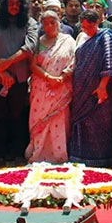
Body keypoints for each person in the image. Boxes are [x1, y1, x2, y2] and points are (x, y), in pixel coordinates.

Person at [0, 0, 38, 168]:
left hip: (20, 80)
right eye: (10, 3)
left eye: (17, 4)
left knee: (18, 116)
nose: (14, 7)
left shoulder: (30, 23)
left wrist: (7, 62)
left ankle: (18, 154)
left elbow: (30, 46)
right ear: (4, 5)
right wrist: (2, 72)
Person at [69, 9, 112, 167]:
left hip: (99, 91)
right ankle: (79, 157)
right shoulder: (82, 37)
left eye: (89, 26)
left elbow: (110, 63)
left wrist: (102, 86)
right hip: (80, 91)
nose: (86, 30)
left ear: (97, 23)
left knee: (99, 125)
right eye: (83, 27)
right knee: (80, 124)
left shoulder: (106, 37)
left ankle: (101, 160)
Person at [27, 11, 75, 163]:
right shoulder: (38, 41)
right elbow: (33, 65)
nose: (49, 26)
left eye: (52, 22)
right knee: (40, 120)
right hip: (41, 87)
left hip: (61, 87)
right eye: (45, 23)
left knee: (58, 121)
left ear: (58, 22)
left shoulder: (68, 41)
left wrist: (62, 77)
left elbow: (75, 60)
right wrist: (49, 77)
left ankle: (59, 156)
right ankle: (39, 153)